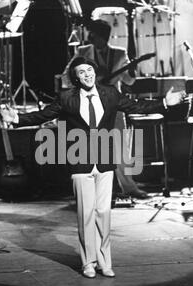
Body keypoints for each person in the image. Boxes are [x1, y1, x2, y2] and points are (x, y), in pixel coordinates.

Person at [1, 56, 184, 278]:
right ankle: (88, 262)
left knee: (103, 212)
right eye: (81, 72)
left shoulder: (110, 94)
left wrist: (165, 103)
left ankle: (105, 262)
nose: (87, 75)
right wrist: (17, 118)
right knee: (85, 214)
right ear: (75, 78)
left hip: (105, 160)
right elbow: (43, 115)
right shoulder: (66, 98)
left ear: (94, 72)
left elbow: (137, 106)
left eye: (89, 70)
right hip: (80, 162)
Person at [62, 19, 150, 199]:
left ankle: (129, 187)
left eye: (91, 33)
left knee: (120, 147)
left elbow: (129, 81)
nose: (88, 36)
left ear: (100, 36)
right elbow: (66, 76)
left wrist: (132, 70)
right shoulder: (82, 52)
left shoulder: (119, 54)